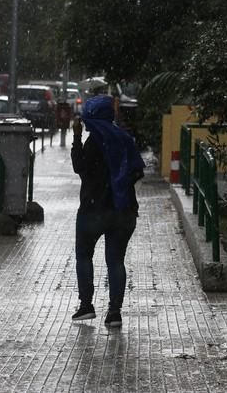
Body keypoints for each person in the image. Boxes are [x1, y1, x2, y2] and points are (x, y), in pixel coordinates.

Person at [70, 94, 145, 327]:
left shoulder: (94, 142)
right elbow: (137, 171)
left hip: (93, 209)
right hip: (123, 211)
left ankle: (86, 306)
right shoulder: (124, 139)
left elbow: (79, 167)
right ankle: (114, 312)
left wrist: (76, 136)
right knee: (116, 261)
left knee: (84, 255)